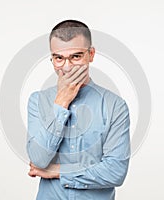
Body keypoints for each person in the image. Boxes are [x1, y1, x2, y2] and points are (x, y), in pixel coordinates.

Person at [27, 19, 130, 200]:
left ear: (91, 54)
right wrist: (61, 101)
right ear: (52, 59)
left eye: (76, 56)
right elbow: (39, 160)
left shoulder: (115, 106)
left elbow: (115, 171)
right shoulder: (38, 101)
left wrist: (59, 171)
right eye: (59, 58)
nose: (67, 67)